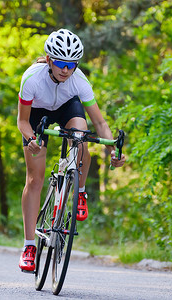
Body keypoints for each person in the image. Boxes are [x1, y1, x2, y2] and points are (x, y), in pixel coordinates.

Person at [17, 28, 126, 272]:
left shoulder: (79, 81)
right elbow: (22, 122)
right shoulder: (31, 79)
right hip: (36, 115)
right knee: (35, 178)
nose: (66, 70)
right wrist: (31, 138)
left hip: (67, 107)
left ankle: (80, 191)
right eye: (60, 63)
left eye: (71, 64)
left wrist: (112, 150)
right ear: (48, 60)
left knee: (81, 135)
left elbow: (100, 123)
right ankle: (28, 246)